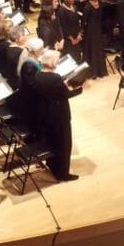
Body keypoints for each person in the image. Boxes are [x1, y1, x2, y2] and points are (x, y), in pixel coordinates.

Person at [33, 50, 81, 181]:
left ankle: (52, 165)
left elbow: (54, 90)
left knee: (52, 141)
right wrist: (80, 88)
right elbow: (66, 94)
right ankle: (62, 173)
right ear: (53, 63)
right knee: (64, 144)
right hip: (59, 115)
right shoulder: (55, 78)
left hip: (45, 113)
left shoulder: (38, 74)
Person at [82, 0, 107, 78]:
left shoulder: (100, 4)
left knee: (99, 50)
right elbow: (84, 22)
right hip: (90, 33)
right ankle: (93, 72)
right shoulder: (87, 7)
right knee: (92, 51)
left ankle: (100, 71)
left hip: (98, 31)